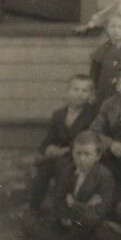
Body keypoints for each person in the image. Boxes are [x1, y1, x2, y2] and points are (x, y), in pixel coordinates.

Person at [18, 131, 115, 240]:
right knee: (30, 221)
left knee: (93, 231)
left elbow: (97, 215)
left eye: (87, 154)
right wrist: (67, 215)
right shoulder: (68, 170)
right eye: (78, 153)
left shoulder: (104, 177)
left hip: (88, 226)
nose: (81, 158)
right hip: (70, 220)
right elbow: (59, 200)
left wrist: (73, 205)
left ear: (97, 155)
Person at [27, 73, 97, 214]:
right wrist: (48, 148)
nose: (79, 94)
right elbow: (49, 139)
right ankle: (33, 210)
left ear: (90, 94)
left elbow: (89, 139)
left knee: (63, 170)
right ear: (67, 91)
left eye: (84, 91)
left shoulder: (93, 115)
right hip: (59, 156)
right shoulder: (58, 114)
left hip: (79, 157)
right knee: (43, 169)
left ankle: (62, 212)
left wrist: (64, 150)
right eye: (75, 90)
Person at [89, 14, 121, 104]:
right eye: (113, 26)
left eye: (120, 27)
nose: (115, 30)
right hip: (104, 90)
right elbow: (94, 73)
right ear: (107, 29)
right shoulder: (102, 49)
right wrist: (92, 92)